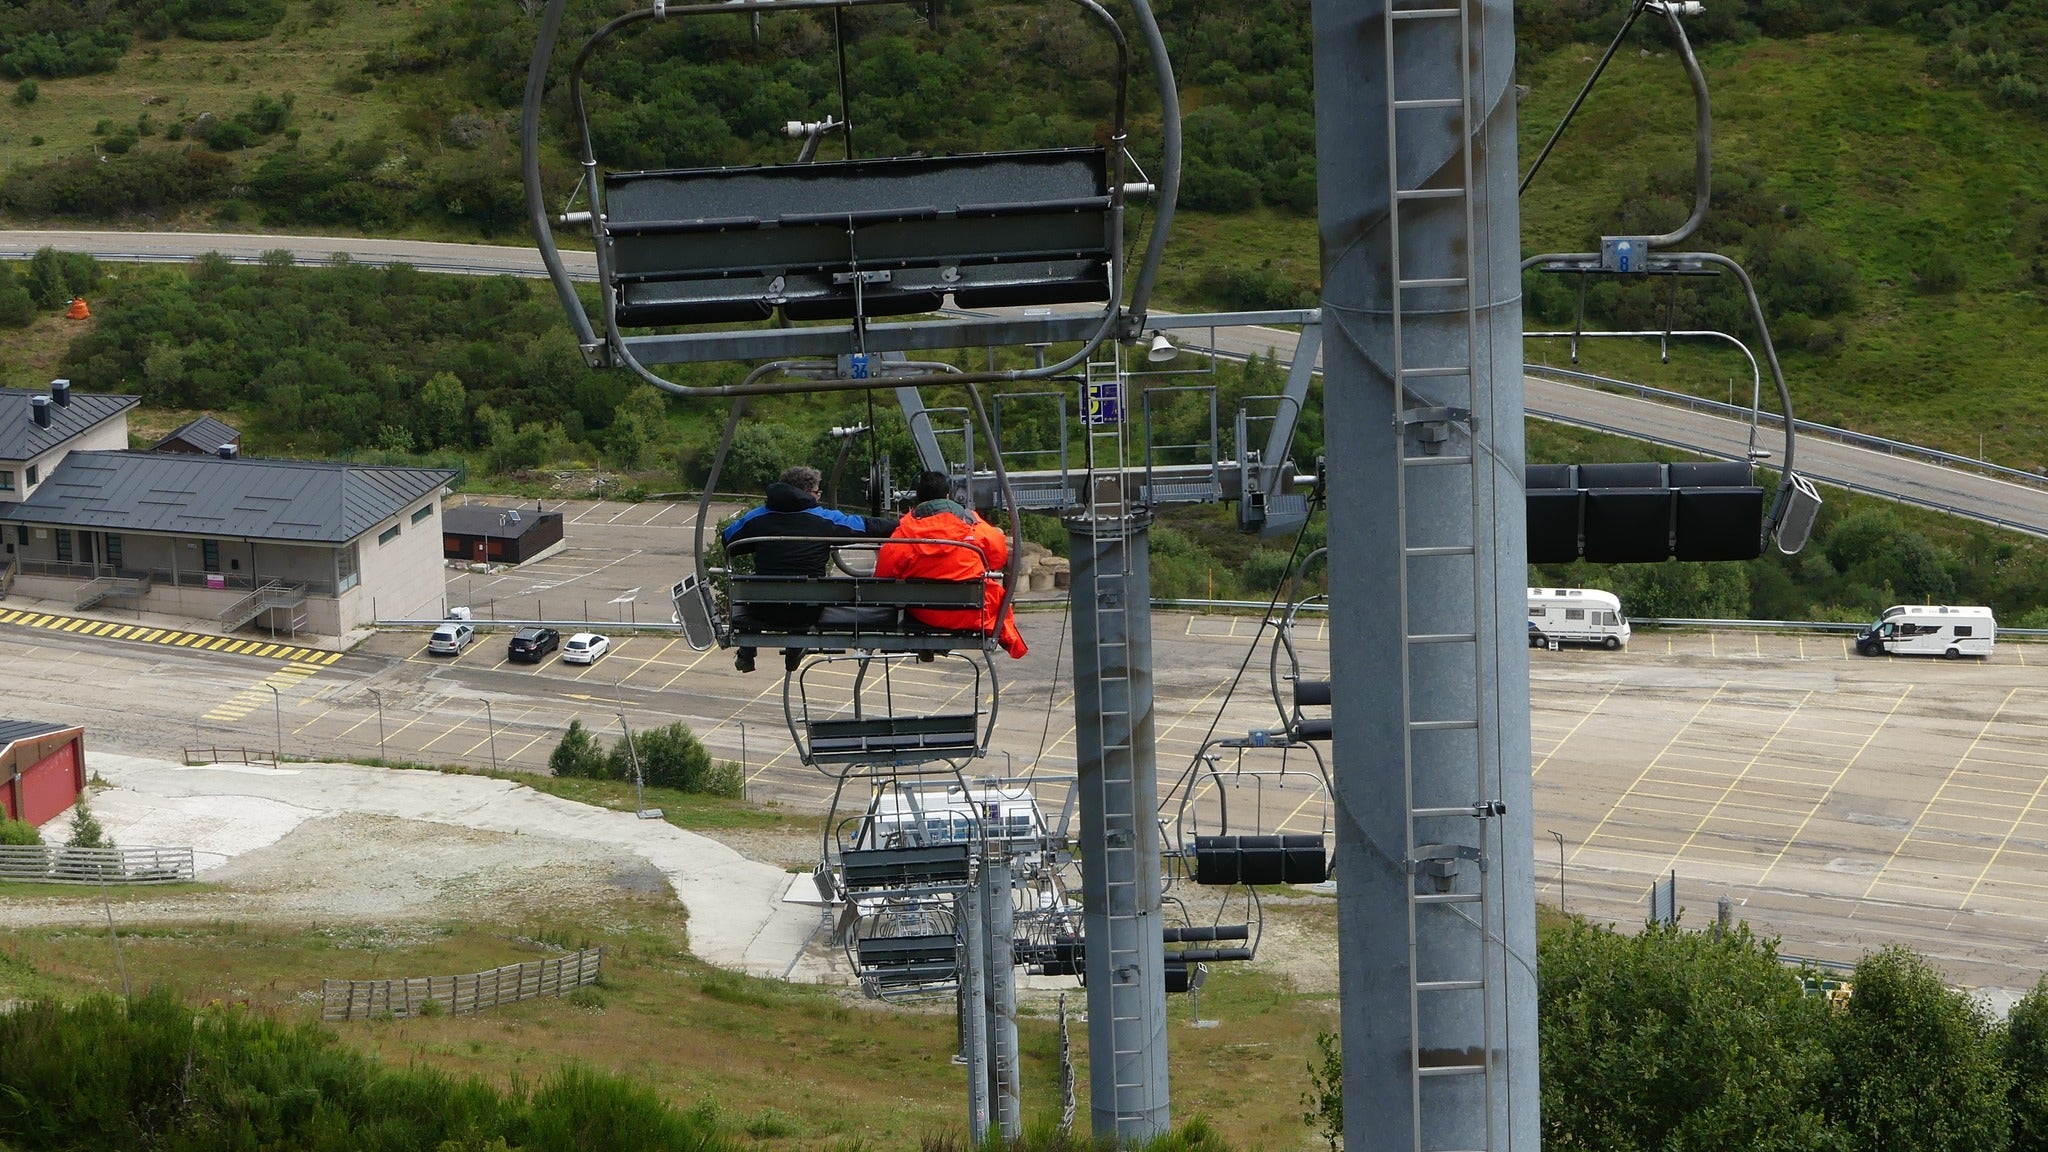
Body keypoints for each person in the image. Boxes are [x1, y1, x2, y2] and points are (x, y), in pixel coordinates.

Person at [722, 465, 897, 672]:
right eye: (817, 492)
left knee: (750, 585)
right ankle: (797, 642)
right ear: (805, 491)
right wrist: (908, 522)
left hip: (764, 608)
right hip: (808, 610)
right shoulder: (824, 520)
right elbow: (867, 526)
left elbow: (728, 539)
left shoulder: (757, 518)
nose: (819, 496)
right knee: (804, 591)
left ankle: (747, 650)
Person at [876, 471, 1028, 659]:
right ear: (948, 496)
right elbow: (998, 557)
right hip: (972, 613)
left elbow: (882, 579)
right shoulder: (973, 526)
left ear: (917, 499)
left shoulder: (903, 536)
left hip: (925, 614)